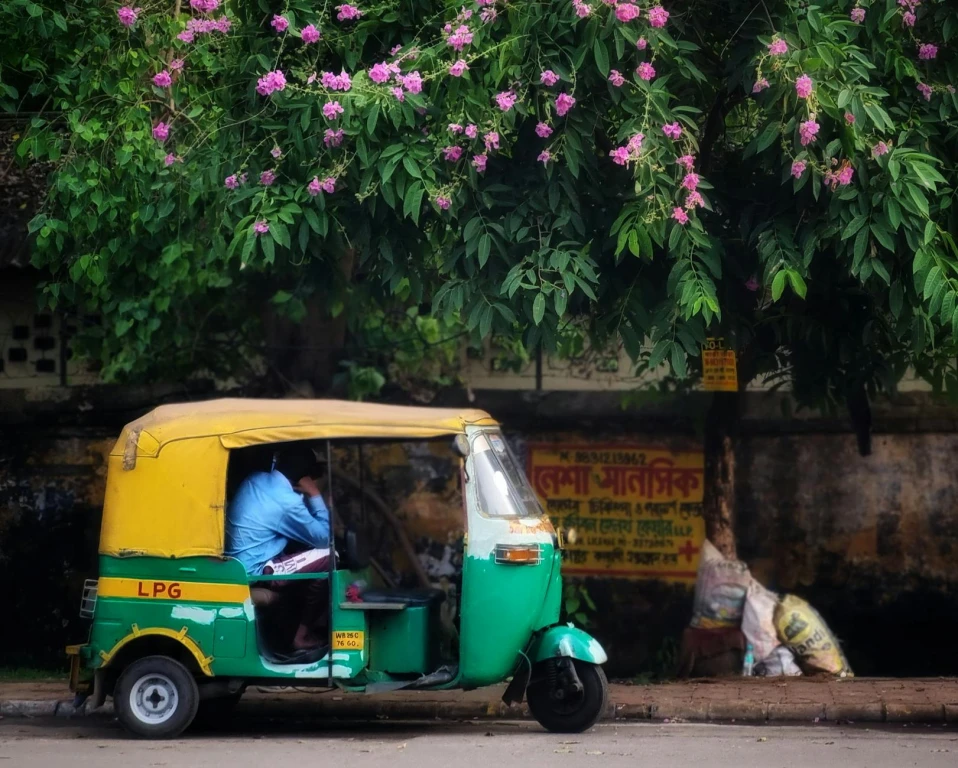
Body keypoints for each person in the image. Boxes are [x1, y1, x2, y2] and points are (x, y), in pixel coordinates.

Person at [226, 443, 331, 650]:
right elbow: (324, 539)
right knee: (330, 555)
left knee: (301, 555)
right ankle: (301, 636)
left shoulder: (254, 479)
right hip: (255, 572)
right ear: (304, 477)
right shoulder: (287, 502)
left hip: (235, 566)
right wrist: (315, 494)